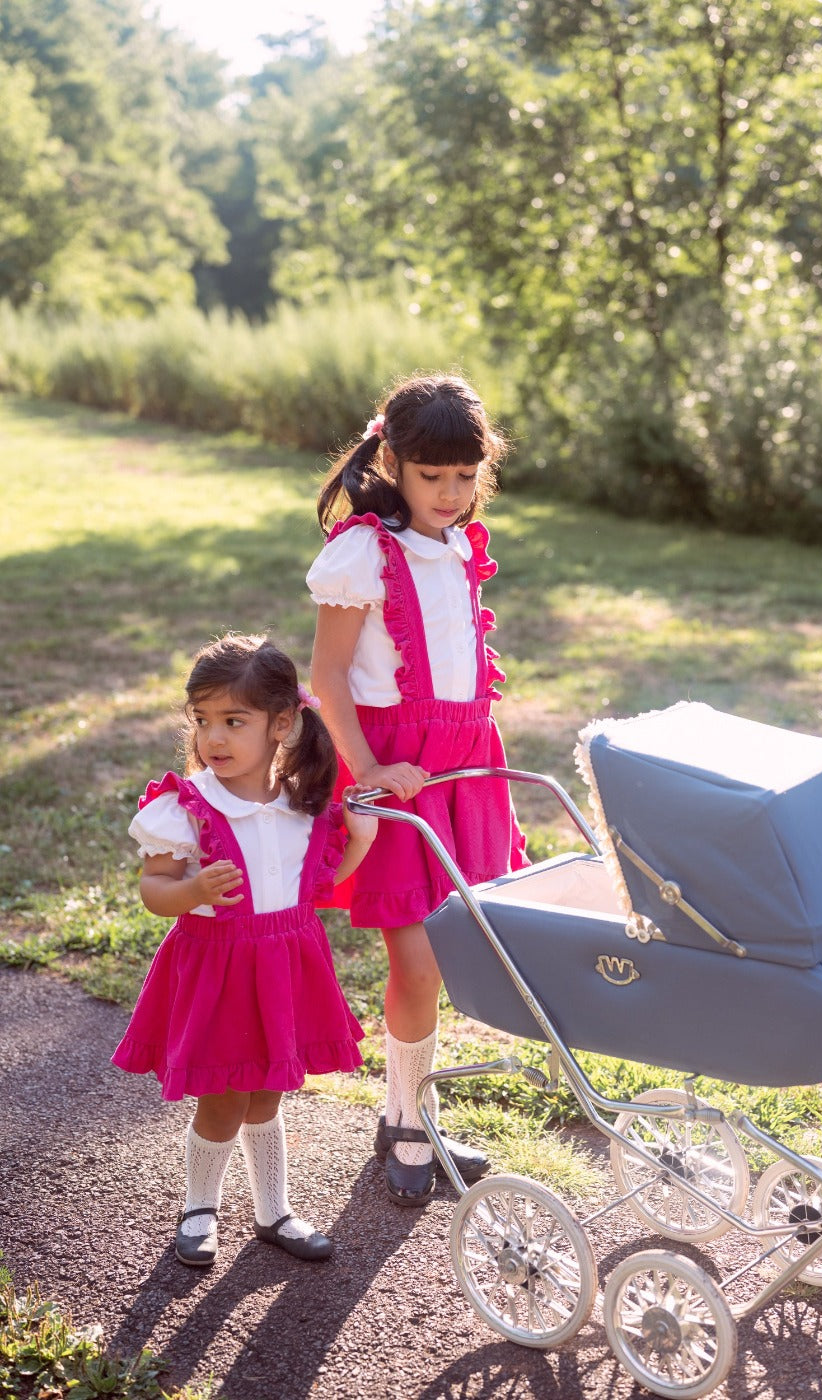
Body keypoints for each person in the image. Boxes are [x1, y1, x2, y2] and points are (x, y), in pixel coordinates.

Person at [306, 373, 528, 1208]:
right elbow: (329, 676)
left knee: (455, 947)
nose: (450, 493)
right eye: (432, 476)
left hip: (463, 768)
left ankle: (414, 1111)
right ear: (391, 462)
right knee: (418, 957)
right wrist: (367, 772)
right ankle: (402, 1121)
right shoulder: (362, 553)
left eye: (466, 476)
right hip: (394, 772)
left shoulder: (459, 545)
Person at [112, 633, 376, 1267]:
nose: (214, 737)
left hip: (286, 965)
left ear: (281, 723)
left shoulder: (301, 804)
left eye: (234, 721)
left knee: (268, 1091)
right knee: (225, 1094)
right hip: (220, 970)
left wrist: (362, 836)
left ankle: (273, 1210)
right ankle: (199, 1207)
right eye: (202, 720)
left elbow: (318, 883)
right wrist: (192, 890)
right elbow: (153, 889)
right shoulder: (187, 807)